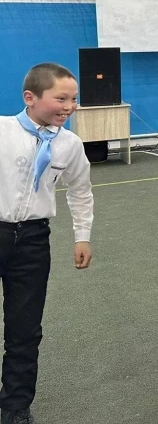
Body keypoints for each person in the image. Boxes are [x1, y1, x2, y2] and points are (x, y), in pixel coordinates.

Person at [0, 64, 93, 424]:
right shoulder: (3, 131)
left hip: (33, 242)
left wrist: (82, 235)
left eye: (74, 99)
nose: (69, 106)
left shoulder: (70, 145)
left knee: (25, 328)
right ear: (30, 97)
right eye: (61, 98)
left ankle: (15, 405)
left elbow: (81, 192)